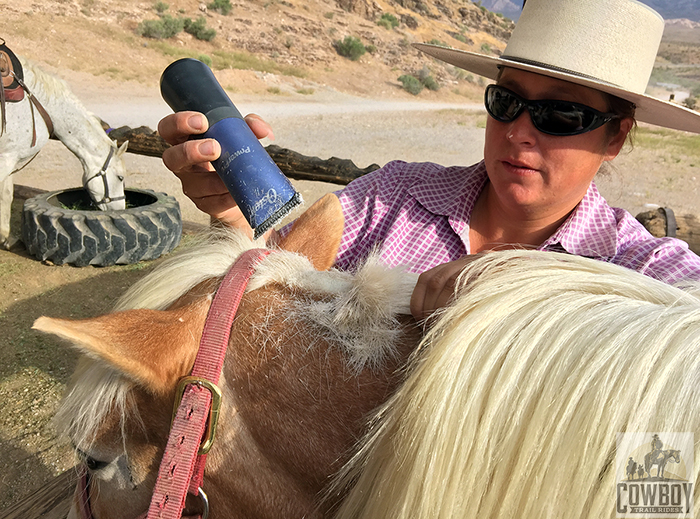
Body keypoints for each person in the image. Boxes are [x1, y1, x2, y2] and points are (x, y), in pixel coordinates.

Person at [157, 0, 700, 321]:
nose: (518, 132)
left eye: (560, 115)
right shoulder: (393, 198)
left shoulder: (642, 269)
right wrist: (230, 214)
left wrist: (529, 288)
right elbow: (280, 266)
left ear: (615, 137)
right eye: (506, 101)